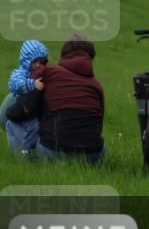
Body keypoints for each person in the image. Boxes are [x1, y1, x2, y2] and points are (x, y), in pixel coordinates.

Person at [37, 35, 106, 163]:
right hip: (92, 156)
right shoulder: (96, 85)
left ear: (63, 56)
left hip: (52, 151)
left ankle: (28, 163)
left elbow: (26, 105)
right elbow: (99, 125)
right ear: (90, 59)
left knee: (12, 123)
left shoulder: (49, 73)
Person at [1, 40, 49, 158]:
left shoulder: (39, 74)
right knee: (34, 126)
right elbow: (16, 84)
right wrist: (32, 84)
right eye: (35, 61)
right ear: (26, 60)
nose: (38, 65)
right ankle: (26, 151)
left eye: (42, 62)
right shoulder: (19, 73)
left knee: (38, 126)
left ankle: (33, 150)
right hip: (23, 108)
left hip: (34, 108)